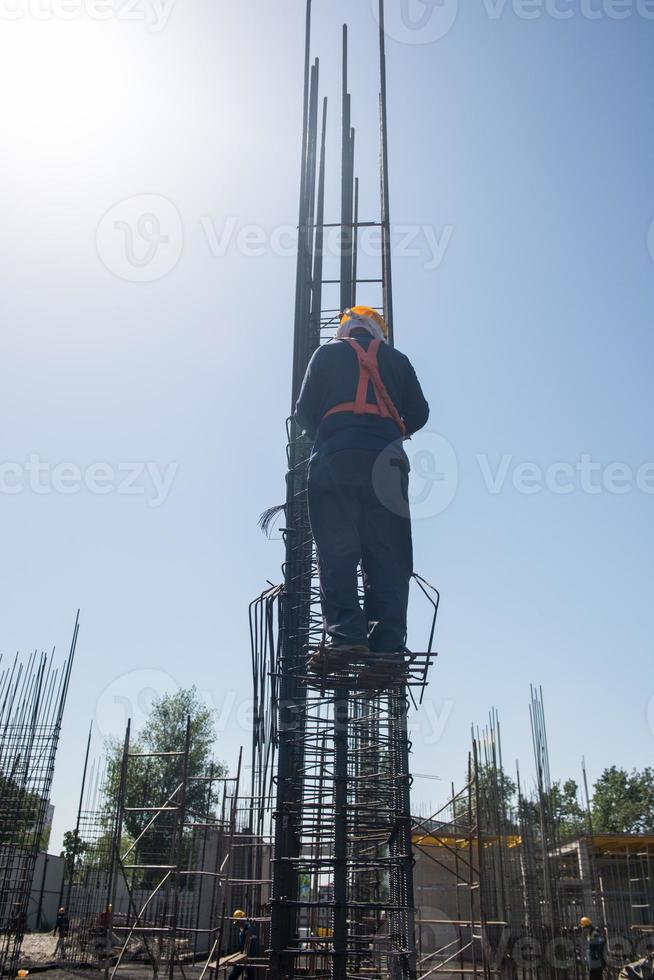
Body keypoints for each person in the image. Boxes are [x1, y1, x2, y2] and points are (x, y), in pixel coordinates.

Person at [295, 305, 429, 659]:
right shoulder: (397, 359)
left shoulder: (325, 354)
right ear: (378, 332)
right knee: (389, 556)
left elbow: (303, 412)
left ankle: (347, 636)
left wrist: (331, 437)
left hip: (335, 462)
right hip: (387, 464)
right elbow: (420, 414)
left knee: (337, 552)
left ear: (345, 330)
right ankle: (387, 646)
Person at [227, 910, 257, 980]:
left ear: (242, 919)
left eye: (238, 922)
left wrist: (249, 956)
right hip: (243, 956)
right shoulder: (242, 930)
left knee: (249, 976)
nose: (237, 924)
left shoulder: (250, 928)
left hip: (249, 957)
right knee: (233, 976)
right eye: (236, 923)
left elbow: (252, 944)